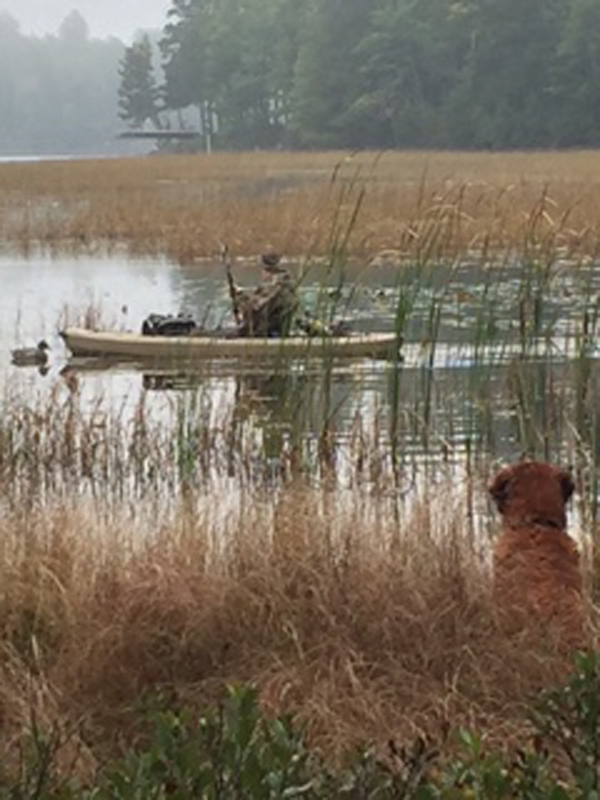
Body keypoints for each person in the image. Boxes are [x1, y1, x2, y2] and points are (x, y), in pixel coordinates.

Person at [226, 249, 299, 338]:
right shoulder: (288, 284)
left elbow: (254, 307)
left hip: (269, 333)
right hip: (279, 331)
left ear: (267, 269)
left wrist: (239, 296)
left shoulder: (274, 286)